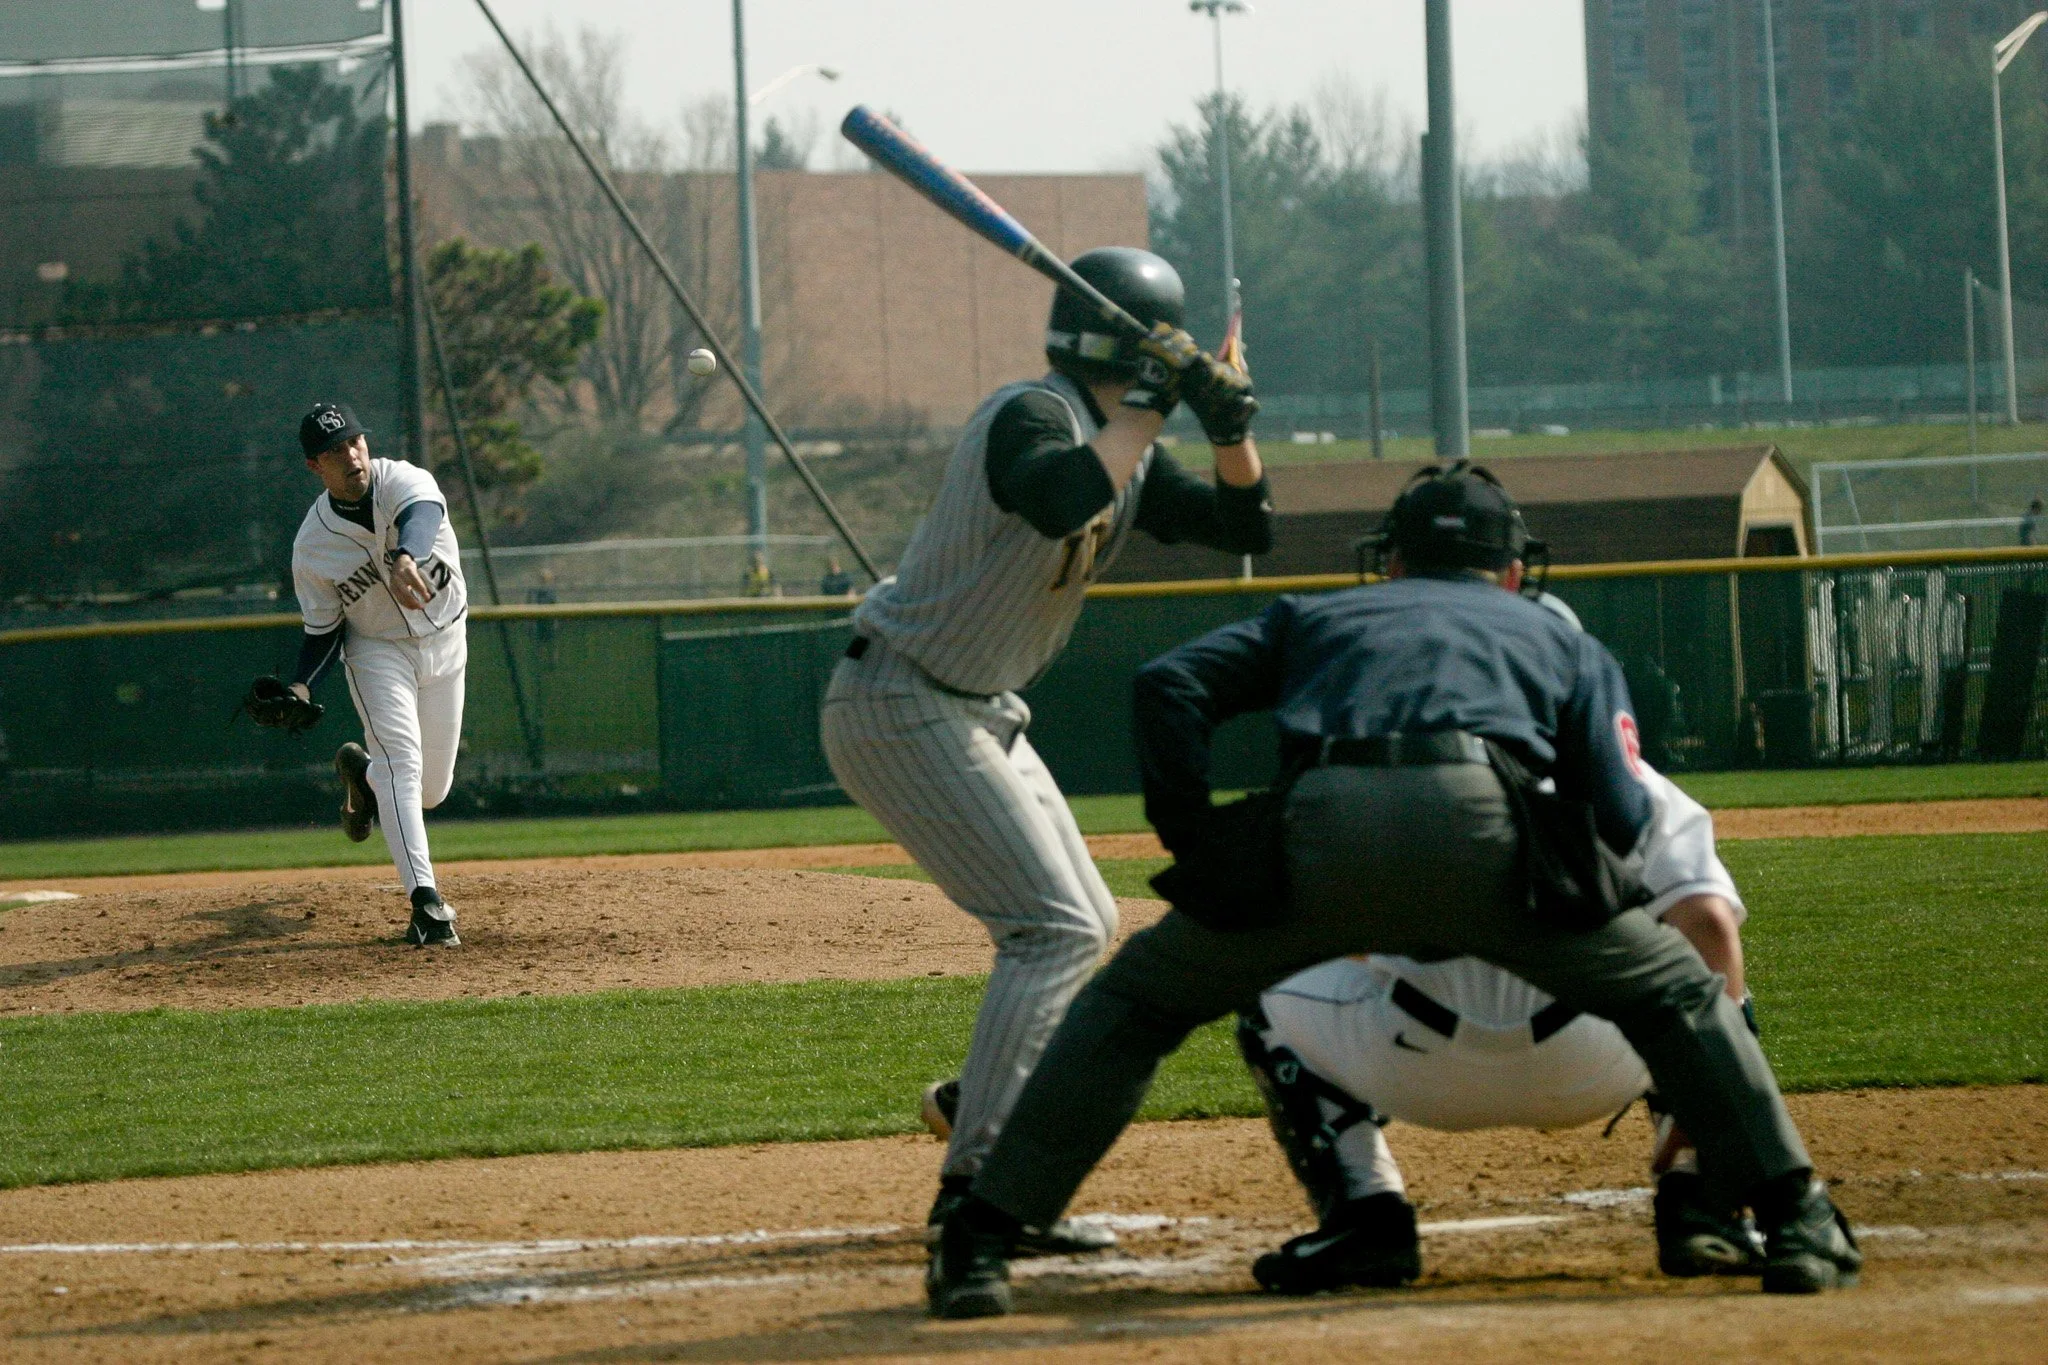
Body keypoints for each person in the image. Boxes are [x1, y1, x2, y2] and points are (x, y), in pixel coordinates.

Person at [926, 462, 1857, 1318]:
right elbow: (1618, 808)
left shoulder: (1320, 616)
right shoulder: (1550, 632)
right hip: (1485, 828)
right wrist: (1563, 899)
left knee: (1133, 1004)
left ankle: (979, 1245)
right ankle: (1796, 1218)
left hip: (1321, 829)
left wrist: (1200, 839)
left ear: (1396, 557)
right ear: (1510, 569)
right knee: (1679, 993)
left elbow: (1170, 684)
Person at [821, 246, 1271, 1259]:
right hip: (901, 694)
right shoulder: (1032, 414)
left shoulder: (1129, 444)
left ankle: (973, 1106)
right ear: (1134, 347)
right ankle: (980, 1190)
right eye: (1169, 342)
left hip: (968, 705)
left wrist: (1231, 429)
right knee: (1056, 928)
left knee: (1083, 919)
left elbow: (1248, 524)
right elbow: (1054, 496)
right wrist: (1153, 409)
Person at [1241, 613, 1766, 1290]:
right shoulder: (1635, 784)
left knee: (1262, 995)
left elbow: (1313, 930)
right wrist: (1704, 1115)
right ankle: (1702, 1204)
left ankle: (1364, 1214)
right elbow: (1712, 931)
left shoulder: (1377, 780)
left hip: (1411, 1064)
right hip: (1599, 1060)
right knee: (1696, 981)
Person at [282, 402, 468, 947]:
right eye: (334, 451)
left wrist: (407, 556)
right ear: (315, 466)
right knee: (401, 764)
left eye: (355, 443)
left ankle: (363, 779)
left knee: (431, 790)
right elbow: (323, 630)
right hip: (377, 650)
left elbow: (423, 515)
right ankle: (427, 904)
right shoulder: (312, 546)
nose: (351, 456)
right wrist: (301, 684)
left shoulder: (404, 478)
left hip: (446, 640)